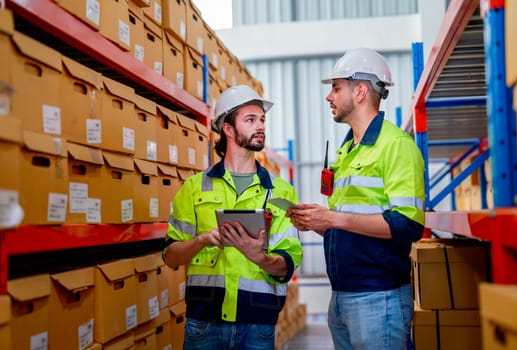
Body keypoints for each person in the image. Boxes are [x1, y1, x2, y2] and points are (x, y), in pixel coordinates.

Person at [287, 48, 425, 350]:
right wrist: (319, 222)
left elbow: (407, 224)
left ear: (360, 91)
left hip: (379, 298)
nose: (329, 96)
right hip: (341, 297)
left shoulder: (396, 146)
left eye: (336, 88)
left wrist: (334, 219)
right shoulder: (347, 151)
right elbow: (352, 220)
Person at [163, 85, 303, 350]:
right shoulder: (195, 188)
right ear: (227, 128)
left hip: (257, 325)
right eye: (250, 120)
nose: (260, 126)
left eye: (262, 119)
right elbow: (171, 257)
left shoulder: (280, 191)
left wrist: (260, 257)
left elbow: (290, 261)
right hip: (204, 323)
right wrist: (202, 240)